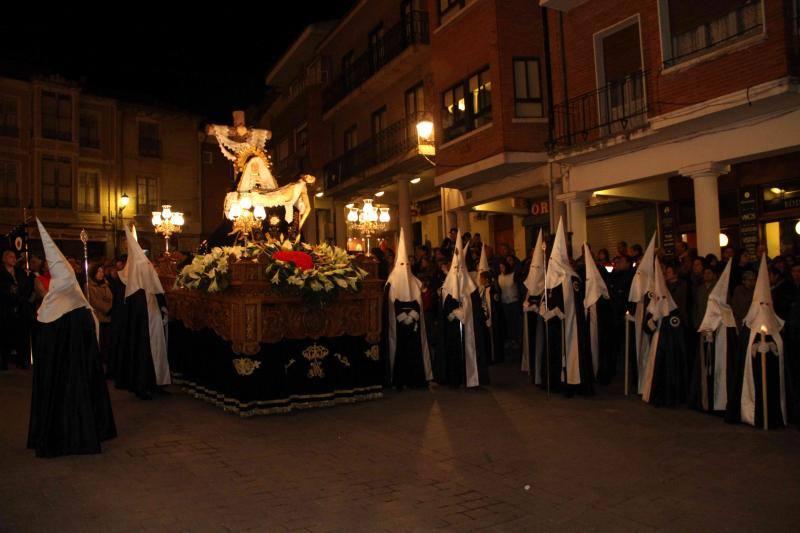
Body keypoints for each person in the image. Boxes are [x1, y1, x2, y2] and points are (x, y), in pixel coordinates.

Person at [27, 219, 115, 458]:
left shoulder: (49, 307)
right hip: (76, 371)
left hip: (59, 372)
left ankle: (51, 436)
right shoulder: (77, 305)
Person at [728, 255, 787, 428]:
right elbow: (743, 351)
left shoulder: (775, 324)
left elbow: (781, 344)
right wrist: (754, 348)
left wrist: (771, 346)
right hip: (753, 374)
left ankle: (773, 415)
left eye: (766, 304)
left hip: (771, 374)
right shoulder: (748, 326)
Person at [113, 225, 170, 400]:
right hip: (141, 325)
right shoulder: (131, 287)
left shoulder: (145, 273)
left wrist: (162, 308)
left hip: (153, 318)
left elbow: (157, 289)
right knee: (142, 353)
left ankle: (157, 382)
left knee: (158, 350)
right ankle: (142, 385)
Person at [543, 219, 593, 396]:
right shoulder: (553, 279)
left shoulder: (572, 278)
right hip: (556, 325)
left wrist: (560, 311)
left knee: (571, 355)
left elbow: (573, 303)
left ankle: (573, 383)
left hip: (571, 326)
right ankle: (558, 381)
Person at [435, 230, 489, 388]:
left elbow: (476, 308)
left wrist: (465, 312)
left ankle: (470, 377)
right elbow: (443, 308)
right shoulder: (446, 288)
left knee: (468, 350)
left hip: (468, 327)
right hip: (452, 329)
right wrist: (451, 314)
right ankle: (454, 378)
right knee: (453, 351)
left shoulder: (471, 288)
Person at [384, 228, 433, 389]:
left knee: (414, 351)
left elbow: (419, 301)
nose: (404, 267)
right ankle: (399, 379)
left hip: (413, 325)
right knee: (400, 352)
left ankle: (416, 379)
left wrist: (412, 316)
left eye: (406, 264)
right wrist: (401, 316)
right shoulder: (391, 282)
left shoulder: (415, 281)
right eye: (401, 264)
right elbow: (389, 303)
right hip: (398, 326)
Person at [692, 260, 738, 413]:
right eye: (704, 273)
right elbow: (697, 308)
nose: (706, 275)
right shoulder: (700, 290)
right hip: (705, 331)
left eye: (709, 273)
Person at [641, 260, 689, 407]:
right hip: (657, 342)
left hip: (670, 344)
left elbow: (676, 323)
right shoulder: (656, 302)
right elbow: (647, 326)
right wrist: (654, 320)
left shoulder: (674, 304)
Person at [583, 243, 613, 384]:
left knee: (601, 346)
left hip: (601, 317)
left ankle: (601, 373)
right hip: (589, 314)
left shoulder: (601, 271)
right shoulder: (582, 270)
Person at [0, 249, 32, 370]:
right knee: (5, 335)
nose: (13, 259)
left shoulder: (20, 272)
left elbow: (27, 286)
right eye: (10, 256)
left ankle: (22, 360)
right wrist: (9, 291)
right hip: (5, 308)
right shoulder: (1, 273)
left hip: (20, 307)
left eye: (14, 257)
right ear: (4, 259)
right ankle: (4, 361)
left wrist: (22, 297)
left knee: (21, 335)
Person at [87, 263, 113, 365]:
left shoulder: (105, 285)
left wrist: (109, 305)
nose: (101, 274)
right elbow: (95, 302)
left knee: (107, 344)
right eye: (98, 271)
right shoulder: (89, 286)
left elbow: (111, 298)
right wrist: (108, 307)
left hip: (107, 318)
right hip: (98, 318)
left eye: (102, 271)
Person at [498, 260, 522, 359]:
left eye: (502, 267)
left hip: (514, 301)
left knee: (516, 321)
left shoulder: (513, 275)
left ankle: (518, 340)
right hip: (505, 302)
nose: (501, 269)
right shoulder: (499, 277)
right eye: (500, 267)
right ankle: (511, 339)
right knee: (508, 322)